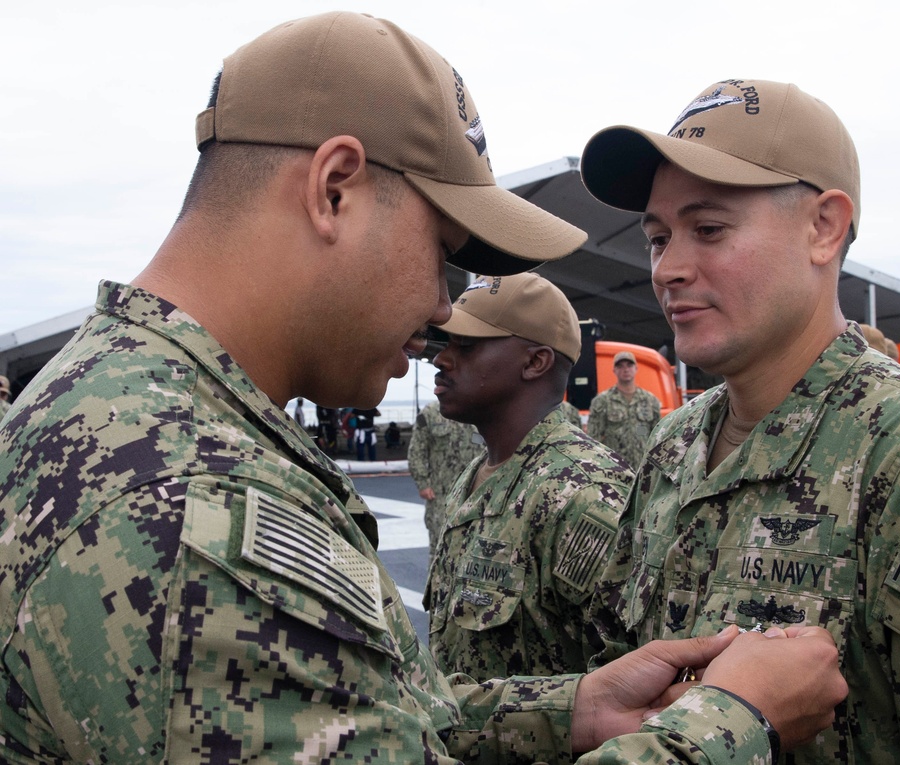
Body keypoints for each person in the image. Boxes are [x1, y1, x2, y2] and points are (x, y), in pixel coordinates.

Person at [0, 22, 848, 764]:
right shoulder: (196, 510)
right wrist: (733, 720)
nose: (446, 305)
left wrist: (571, 708)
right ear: (334, 189)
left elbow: (363, 718)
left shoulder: (116, 403)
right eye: (443, 252)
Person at [580, 77, 900, 763]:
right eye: (658, 238)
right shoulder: (672, 444)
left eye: (708, 229)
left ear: (823, 228)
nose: (669, 269)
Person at [424, 273, 633, 679]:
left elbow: (629, 684)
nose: (441, 359)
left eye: (465, 346)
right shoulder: (474, 477)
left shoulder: (584, 495)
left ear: (535, 362)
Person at [408, 400, 483, 553]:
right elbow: (417, 450)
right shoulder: (431, 413)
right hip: (441, 496)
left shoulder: (480, 410)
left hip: (476, 494)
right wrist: (423, 483)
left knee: (474, 549)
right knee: (440, 548)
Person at [586, 350, 662, 467]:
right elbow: (593, 437)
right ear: (614, 370)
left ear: (636, 368)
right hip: (615, 467)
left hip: (644, 467)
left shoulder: (650, 400)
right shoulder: (602, 401)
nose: (625, 369)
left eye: (629, 365)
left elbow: (657, 436)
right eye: (620, 366)